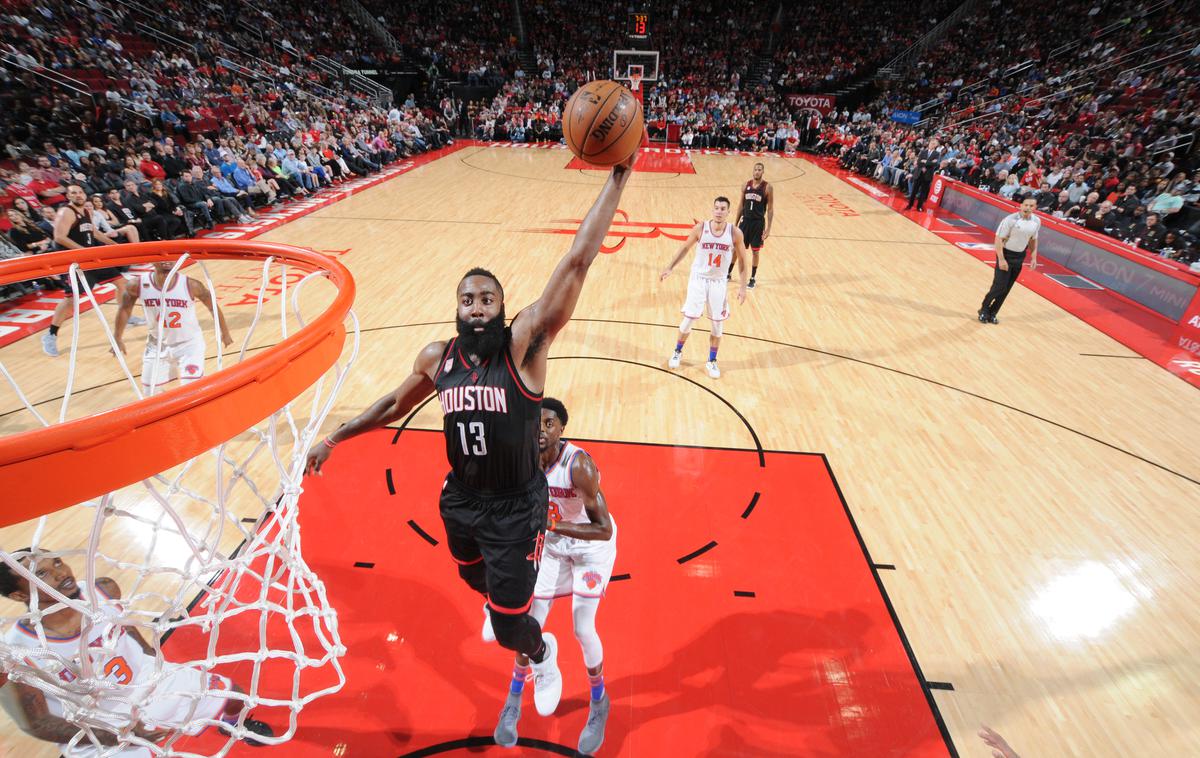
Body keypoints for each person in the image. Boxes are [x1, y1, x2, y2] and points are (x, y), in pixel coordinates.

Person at [304, 152, 640, 713]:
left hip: (516, 507)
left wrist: (618, 177)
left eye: (488, 299)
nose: (477, 307)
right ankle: (500, 605)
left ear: (504, 308)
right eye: (468, 300)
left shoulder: (523, 347)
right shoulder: (438, 357)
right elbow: (391, 404)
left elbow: (578, 262)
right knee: (474, 581)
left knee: (512, 631)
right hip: (460, 500)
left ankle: (544, 655)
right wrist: (335, 437)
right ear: (456, 309)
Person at [0, 548, 273, 756]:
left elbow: (126, 628)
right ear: (19, 596)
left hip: (145, 680)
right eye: (42, 574)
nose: (61, 573)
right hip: (96, 721)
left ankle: (231, 722)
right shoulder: (16, 652)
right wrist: (114, 734)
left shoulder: (102, 590)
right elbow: (35, 724)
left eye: (57, 562)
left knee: (234, 693)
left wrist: (155, 662)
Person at [490, 398, 615, 754]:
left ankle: (599, 701)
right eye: (537, 424)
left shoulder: (580, 468)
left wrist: (557, 525)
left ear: (562, 430)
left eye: (550, 425)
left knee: (582, 627)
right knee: (526, 623)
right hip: (554, 545)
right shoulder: (523, 462)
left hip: (590, 548)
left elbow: (603, 529)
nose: (542, 431)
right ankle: (514, 698)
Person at [113, 259, 233, 395]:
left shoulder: (191, 285)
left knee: (191, 392)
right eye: (161, 256)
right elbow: (125, 309)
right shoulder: (137, 284)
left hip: (189, 345)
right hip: (157, 345)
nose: (166, 260)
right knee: (150, 393)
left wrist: (225, 332)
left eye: (171, 257)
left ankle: (198, 388)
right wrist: (117, 337)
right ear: (152, 261)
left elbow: (213, 307)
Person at [660, 197, 749, 378]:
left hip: (718, 282)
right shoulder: (701, 228)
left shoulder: (735, 233)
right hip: (698, 279)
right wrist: (670, 267)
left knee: (717, 324)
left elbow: (742, 261)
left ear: (728, 212)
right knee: (689, 319)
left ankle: (712, 361)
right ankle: (677, 351)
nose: (718, 211)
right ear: (712, 209)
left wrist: (742, 287)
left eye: (723, 208)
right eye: (716, 208)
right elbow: (685, 248)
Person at [42, 185, 135, 358]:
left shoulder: (86, 211)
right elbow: (59, 237)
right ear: (68, 196)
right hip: (74, 262)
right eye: (73, 193)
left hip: (91, 258)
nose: (77, 195)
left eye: (80, 192)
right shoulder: (66, 212)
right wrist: (83, 252)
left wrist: (116, 246)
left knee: (122, 284)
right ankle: (50, 335)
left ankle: (126, 317)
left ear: (85, 194)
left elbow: (94, 233)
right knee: (72, 300)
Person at [978, 196, 1040, 324]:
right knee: (999, 286)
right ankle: (984, 309)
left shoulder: (1036, 221)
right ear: (1021, 205)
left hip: (1019, 256)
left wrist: (1033, 256)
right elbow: (998, 239)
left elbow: (1033, 239)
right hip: (1005, 254)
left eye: (1031, 206)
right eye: (1026, 205)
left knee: (1007, 288)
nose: (1028, 208)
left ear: (1035, 208)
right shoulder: (1010, 220)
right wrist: (1001, 259)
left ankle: (993, 313)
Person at [734, 162, 773, 289]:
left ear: (763, 172)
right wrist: (735, 224)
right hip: (745, 221)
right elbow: (741, 205)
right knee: (736, 249)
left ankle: (752, 278)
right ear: (753, 171)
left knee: (755, 252)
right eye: (755, 169)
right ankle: (728, 273)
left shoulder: (767, 188)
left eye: (760, 170)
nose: (757, 171)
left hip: (758, 223)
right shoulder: (745, 185)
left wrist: (768, 228)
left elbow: (771, 209)